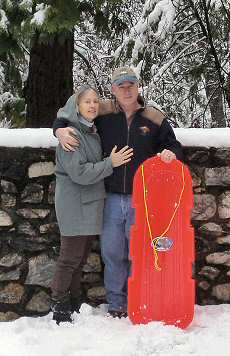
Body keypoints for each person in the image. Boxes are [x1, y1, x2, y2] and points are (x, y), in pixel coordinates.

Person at [53, 67, 183, 319]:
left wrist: (172, 154)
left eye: (130, 85)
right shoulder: (103, 110)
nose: (126, 89)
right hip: (109, 197)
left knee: (140, 253)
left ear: (137, 87)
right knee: (112, 254)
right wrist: (58, 129)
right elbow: (69, 113)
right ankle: (116, 304)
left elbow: (173, 144)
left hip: (141, 199)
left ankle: (139, 299)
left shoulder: (154, 117)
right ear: (112, 89)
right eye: (120, 85)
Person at [51, 84, 133, 324]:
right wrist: (112, 163)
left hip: (90, 204)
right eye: (87, 101)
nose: (93, 105)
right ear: (76, 106)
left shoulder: (90, 130)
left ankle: (73, 301)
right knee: (69, 258)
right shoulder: (72, 135)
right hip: (74, 205)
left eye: (96, 101)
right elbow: (80, 174)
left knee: (80, 257)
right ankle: (59, 302)